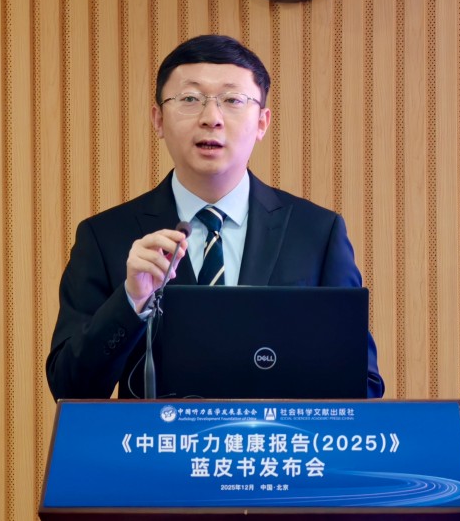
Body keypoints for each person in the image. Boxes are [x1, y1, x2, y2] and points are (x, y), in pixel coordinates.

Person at [46, 34, 384, 400]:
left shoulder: (317, 233)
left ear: (262, 122)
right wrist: (130, 300)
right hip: (157, 439)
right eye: (190, 99)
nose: (212, 118)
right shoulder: (106, 236)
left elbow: (362, 385)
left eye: (232, 100)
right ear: (158, 119)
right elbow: (69, 387)